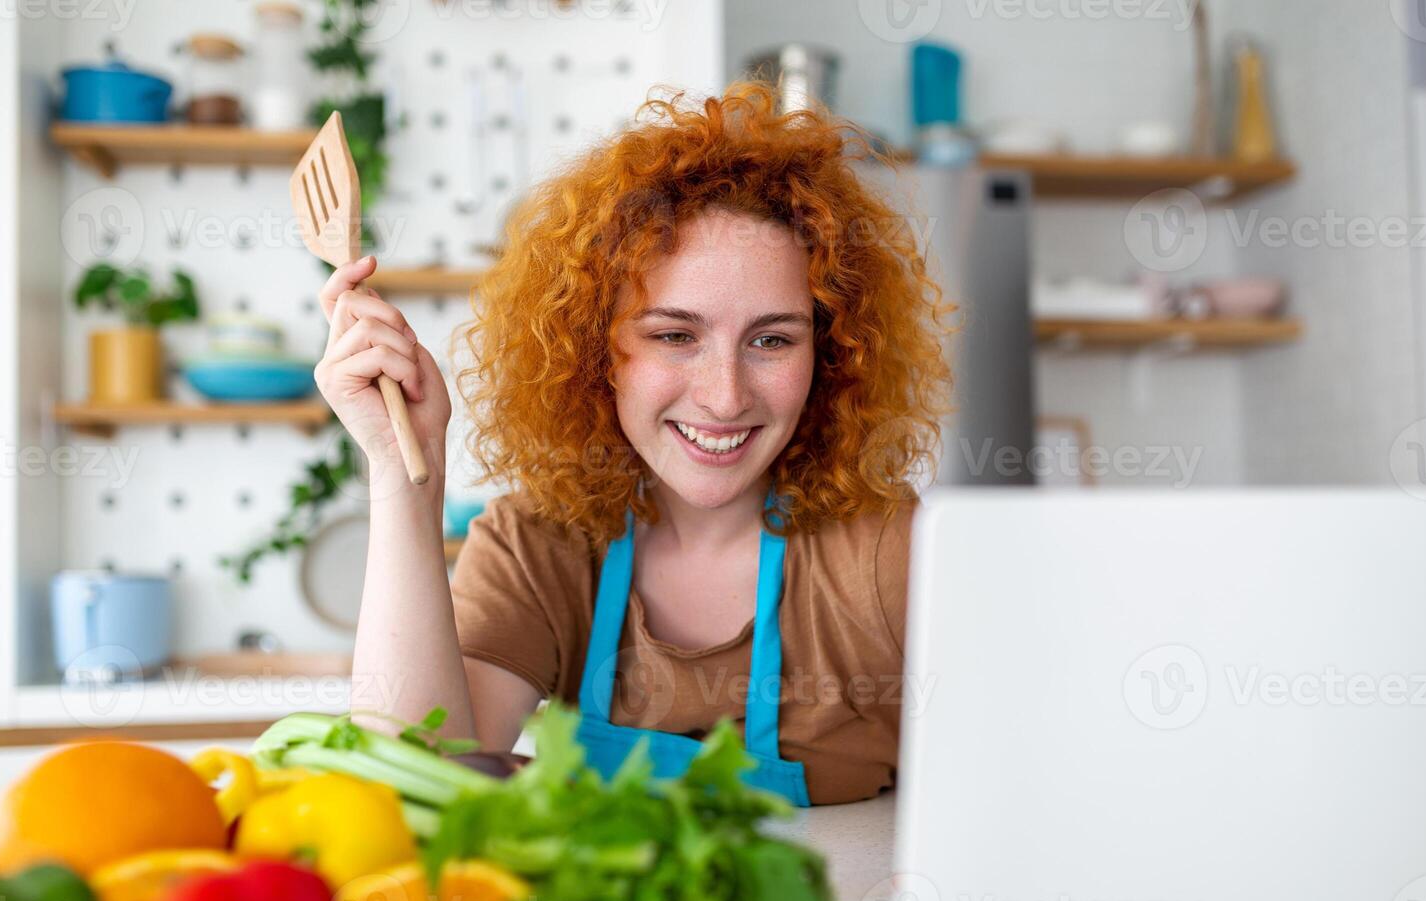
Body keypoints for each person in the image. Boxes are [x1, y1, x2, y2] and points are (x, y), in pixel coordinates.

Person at [314, 80, 952, 805]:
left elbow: (1030, 787)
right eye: (675, 336)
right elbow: (412, 786)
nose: (725, 395)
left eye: (772, 340)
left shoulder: (890, 555)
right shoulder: (545, 543)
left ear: (829, 355)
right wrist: (402, 475)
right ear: (596, 350)